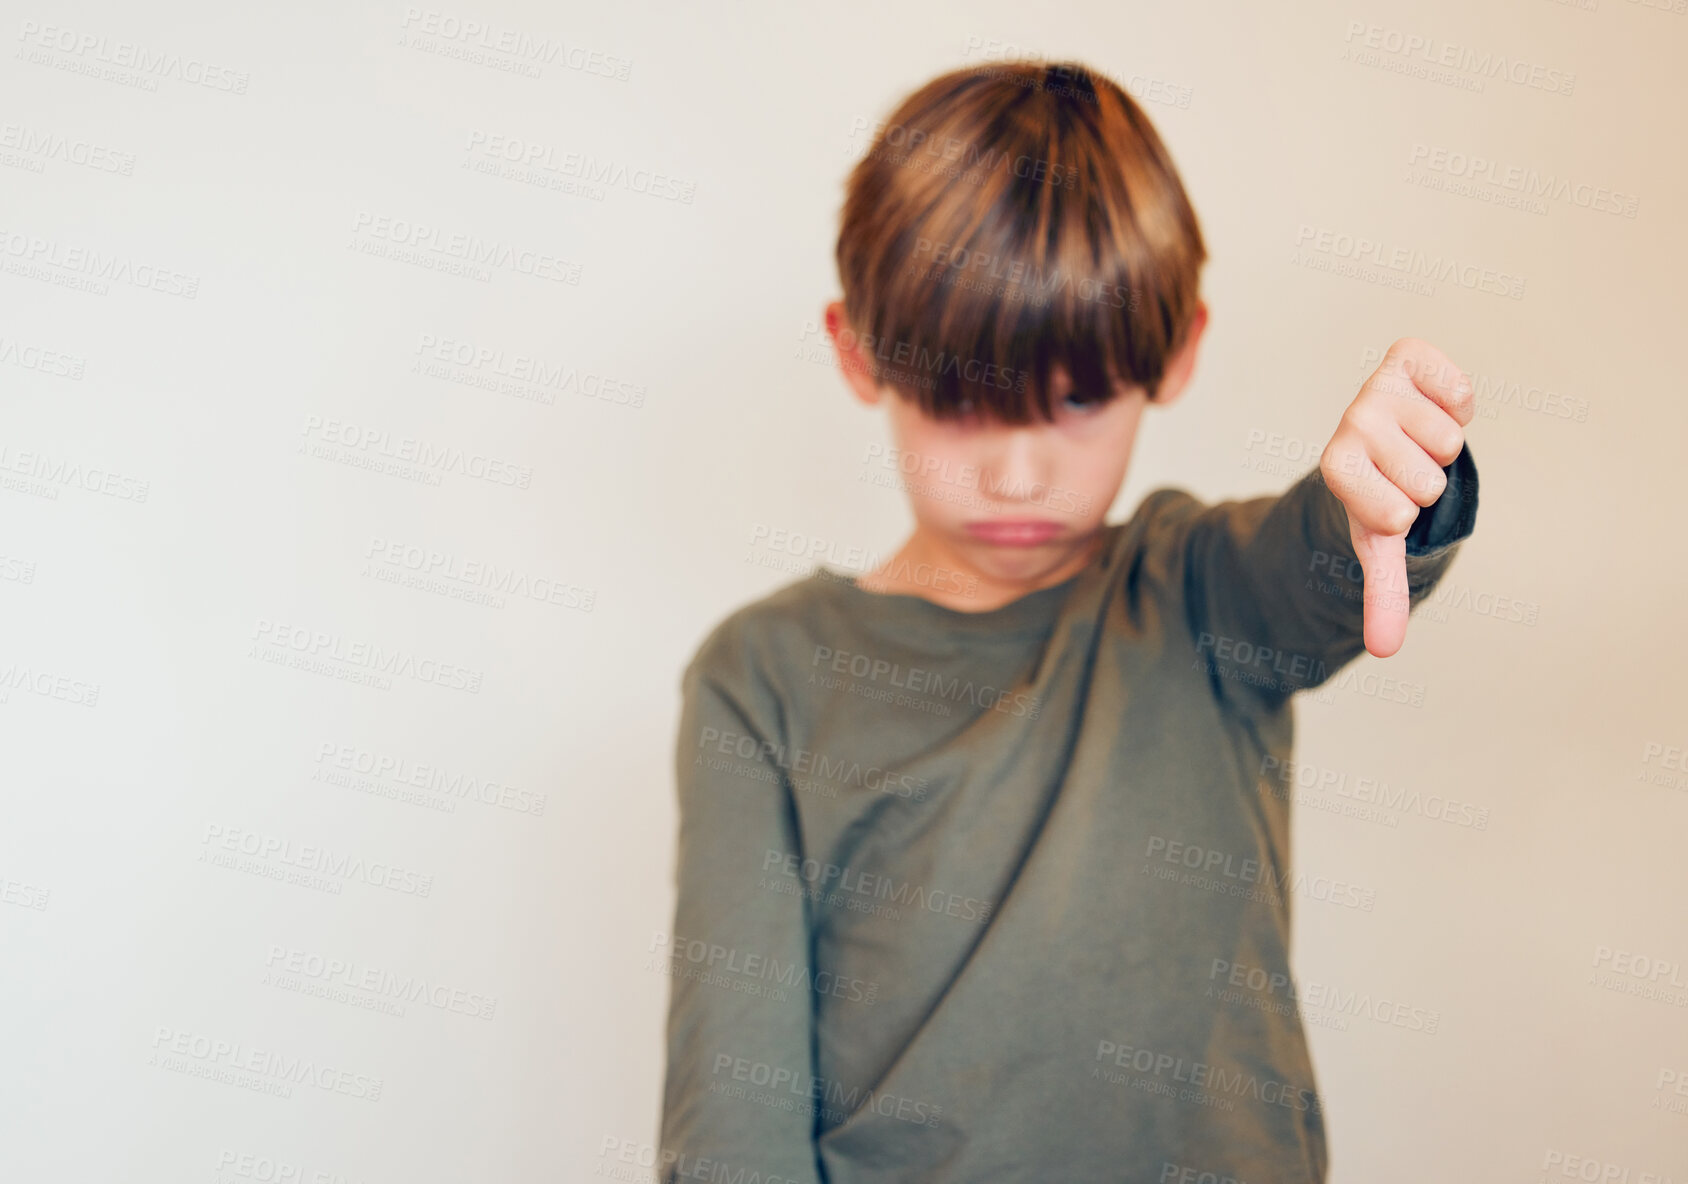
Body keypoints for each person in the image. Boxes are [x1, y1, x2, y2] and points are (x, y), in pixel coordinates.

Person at [654, 59, 1479, 1183]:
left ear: (1174, 352)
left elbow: (1316, 564)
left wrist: (1390, 486)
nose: (1014, 471)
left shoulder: (1197, 593)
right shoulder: (762, 676)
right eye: (957, 399)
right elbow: (729, 1121)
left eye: (1075, 398)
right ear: (858, 353)